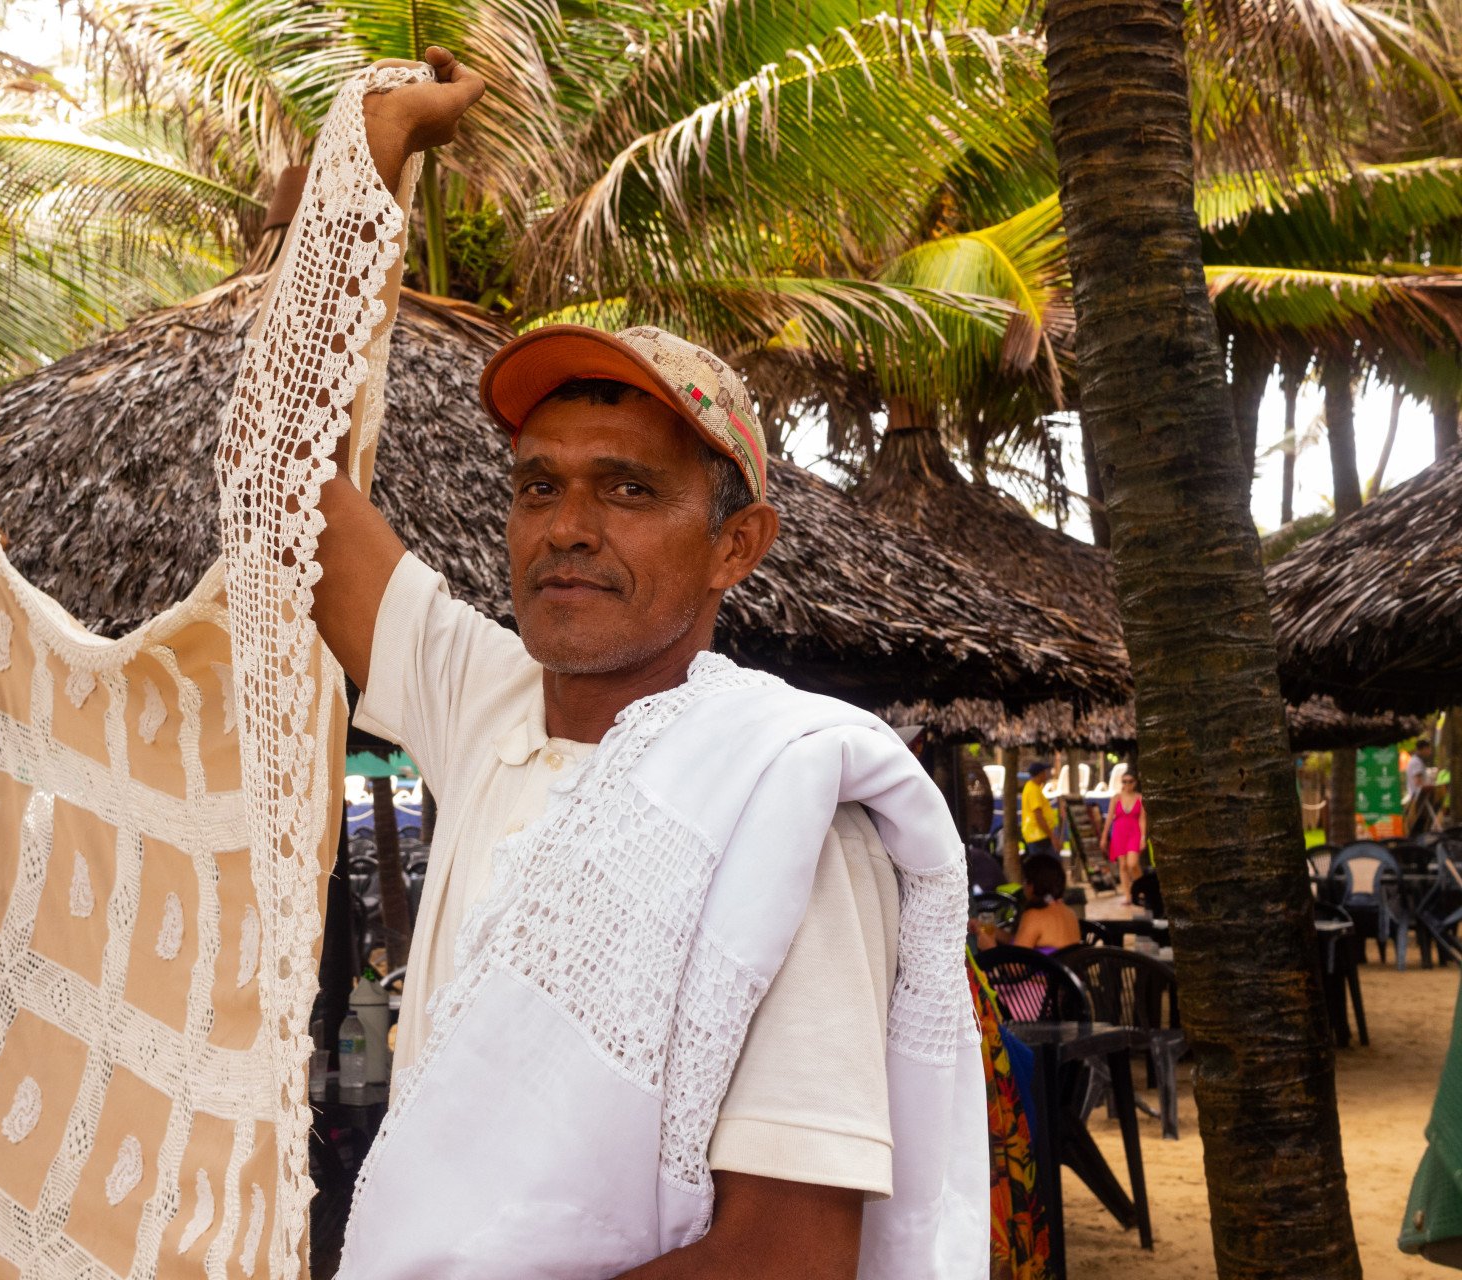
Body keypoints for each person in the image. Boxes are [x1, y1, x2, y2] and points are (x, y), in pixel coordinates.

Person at [261, 50, 981, 1280]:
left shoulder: (787, 805)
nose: (568, 525)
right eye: (538, 484)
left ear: (734, 547)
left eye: (630, 489)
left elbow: (786, 1258)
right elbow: (285, 474)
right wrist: (367, 163)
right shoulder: (485, 699)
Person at [976, 853, 1081, 954]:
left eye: (1024, 881)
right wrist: (986, 928)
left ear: (1032, 885)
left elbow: (1014, 967)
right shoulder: (1069, 912)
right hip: (1067, 971)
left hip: (1042, 972)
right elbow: (1021, 941)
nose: (1023, 886)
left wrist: (990, 948)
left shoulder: (1035, 915)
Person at [1104, 768, 1148, 903]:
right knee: (1122, 865)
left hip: (1134, 832)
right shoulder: (1116, 798)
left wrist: (1143, 838)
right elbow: (1110, 817)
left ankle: (1143, 889)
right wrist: (1104, 836)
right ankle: (1128, 895)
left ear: (1135, 782)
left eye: (1130, 781)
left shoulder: (1140, 798)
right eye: (1124, 781)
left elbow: (1142, 819)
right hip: (1119, 833)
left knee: (1132, 863)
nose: (1127, 784)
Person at [1020, 757, 1059, 859]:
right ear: (1040, 774)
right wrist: (1052, 836)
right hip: (1038, 837)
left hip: (1039, 836)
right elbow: (1039, 816)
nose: (1046, 775)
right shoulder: (1033, 790)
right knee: (1050, 864)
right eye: (1044, 772)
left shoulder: (1034, 788)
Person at [1406, 739, 1438, 836]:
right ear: (1423, 749)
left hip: (1418, 799)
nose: (1430, 752)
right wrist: (1432, 787)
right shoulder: (1416, 762)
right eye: (1429, 749)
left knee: (1420, 826)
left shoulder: (1416, 761)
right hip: (1418, 800)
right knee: (1419, 825)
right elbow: (1418, 782)